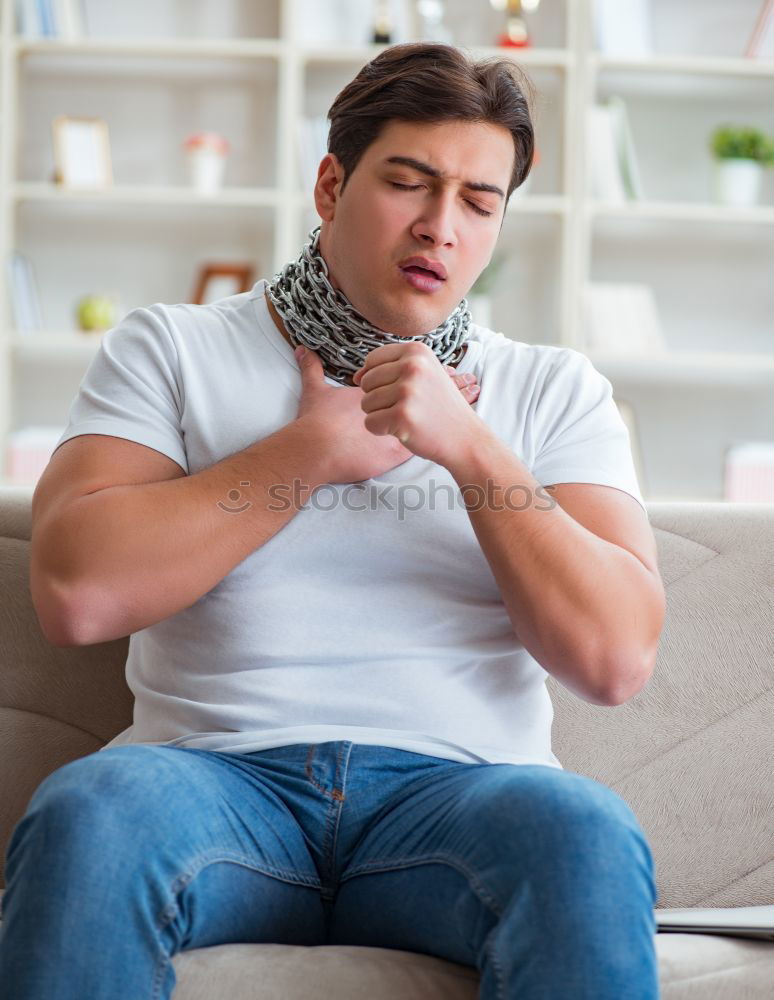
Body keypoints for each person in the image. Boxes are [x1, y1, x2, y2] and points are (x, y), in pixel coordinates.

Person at [0, 42, 666, 999]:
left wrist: (473, 451)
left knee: (586, 832)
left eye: (480, 203)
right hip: (213, 781)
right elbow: (75, 591)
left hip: (461, 796)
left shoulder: (554, 391)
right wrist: (308, 454)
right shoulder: (172, 348)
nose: (441, 227)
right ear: (330, 184)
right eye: (409, 184)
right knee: (87, 815)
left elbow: (614, 659)